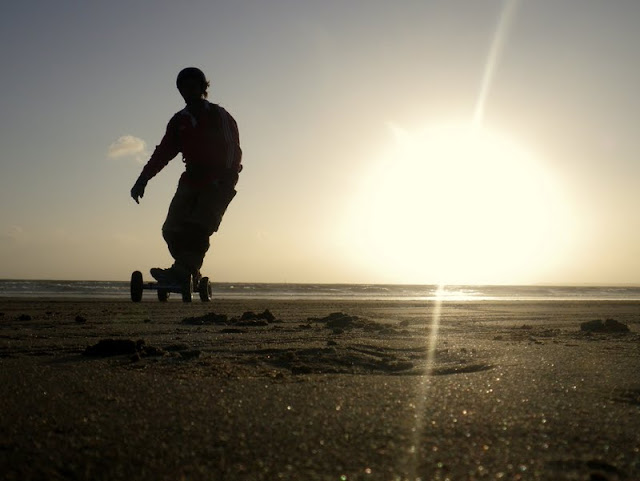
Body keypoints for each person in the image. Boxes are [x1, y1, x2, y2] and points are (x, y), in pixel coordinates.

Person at [130, 67, 242, 285]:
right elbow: (163, 152)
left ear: (202, 88)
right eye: (183, 88)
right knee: (171, 229)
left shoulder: (220, 115)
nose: (188, 91)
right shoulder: (179, 122)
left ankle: (182, 271)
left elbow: (232, 148)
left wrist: (227, 177)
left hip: (219, 181)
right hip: (191, 179)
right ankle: (188, 270)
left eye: (193, 86)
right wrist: (142, 179)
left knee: (199, 227)